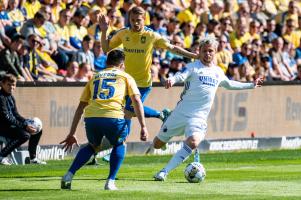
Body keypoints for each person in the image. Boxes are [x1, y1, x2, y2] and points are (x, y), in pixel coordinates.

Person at [152, 37, 263, 181]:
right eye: (204, 51)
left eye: (210, 51)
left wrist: (251, 85)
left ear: (215, 52)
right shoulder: (193, 67)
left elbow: (230, 84)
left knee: (193, 142)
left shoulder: (217, 72)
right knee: (156, 144)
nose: (207, 54)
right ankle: (167, 118)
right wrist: (172, 80)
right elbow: (181, 75)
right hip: (180, 113)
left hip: (198, 117)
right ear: (199, 51)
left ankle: (164, 172)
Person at [100, 6, 197, 136]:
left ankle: (119, 143)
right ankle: (160, 114)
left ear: (144, 19)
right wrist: (104, 31)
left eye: (138, 20)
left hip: (143, 83)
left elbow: (172, 48)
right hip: (127, 81)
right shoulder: (123, 33)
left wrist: (193, 56)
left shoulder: (151, 35)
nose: (135, 23)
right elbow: (106, 49)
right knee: (127, 110)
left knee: (128, 112)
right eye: (132, 19)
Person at [60, 49, 148, 190]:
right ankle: (110, 181)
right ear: (121, 64)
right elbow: (136, 100)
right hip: (113, 117)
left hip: (92, 118)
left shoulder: (95, 77)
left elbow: (81, 106)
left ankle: (69, 175)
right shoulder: (125, 76)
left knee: (93, 146)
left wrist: (72, 133)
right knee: (120, 144)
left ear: (107, 62)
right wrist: (143, 126)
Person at [0, 74, 46, 165]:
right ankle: (2, 155)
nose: (11, 87)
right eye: (9, 84)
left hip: (11, 126)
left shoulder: (10, 97)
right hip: (2, 127)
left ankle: (33, 158)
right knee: (25, 135)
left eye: (13, 85)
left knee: (37, 130)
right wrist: (24, 126)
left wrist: (26, 122)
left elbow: (16, 115)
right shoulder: (1, 97)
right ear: (2, 84)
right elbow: (6, 117)